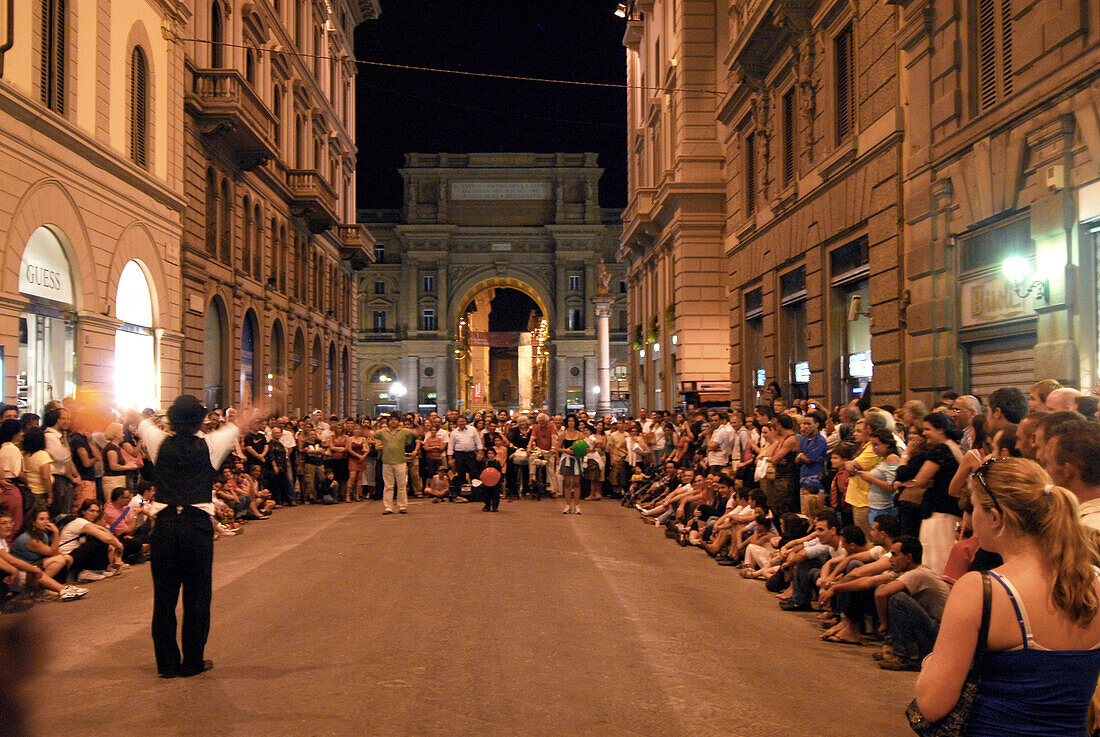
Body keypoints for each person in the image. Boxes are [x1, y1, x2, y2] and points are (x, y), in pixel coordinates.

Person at [914, 458, 1100, 735]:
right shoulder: (1094, 581)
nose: (971, 516)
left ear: (995, 517)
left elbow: (932, 704)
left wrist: (930, 662)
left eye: (974, 507)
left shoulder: (982, 590)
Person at [139, 394, 260, 678]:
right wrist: (264, 404)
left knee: (164, 599)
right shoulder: (211, 445)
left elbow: (141, 422)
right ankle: (192, 662)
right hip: (196, 527)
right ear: (200, 421)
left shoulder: (158, 442)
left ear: (171, 419)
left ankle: (167, 665)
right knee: (197, 598)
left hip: (165, 526)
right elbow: (237, 424)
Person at [873, 536, 950, 670]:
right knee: (887, 591)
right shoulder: (910, 573)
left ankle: (907, 656)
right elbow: (876, 587)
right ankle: (894, 649)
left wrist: (884, 624)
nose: (891, 559)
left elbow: (881, 595)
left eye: (895, 554)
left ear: (909, 558)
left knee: (897, 598)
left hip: (940, 636)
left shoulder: (918, 574)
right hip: (931, 630)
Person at [376, 414, 417, 515]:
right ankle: (388, 507)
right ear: (388, 422)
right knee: (388, 486)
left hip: (400, 461)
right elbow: (371, 433)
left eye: (395, 420)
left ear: (399, 422)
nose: (393, 422)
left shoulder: (404, 432)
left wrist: (416, 424)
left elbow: (417, 433)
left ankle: (402, 506)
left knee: (401, 485)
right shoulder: (382, 432)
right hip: (386, 462)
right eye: (391, 420)